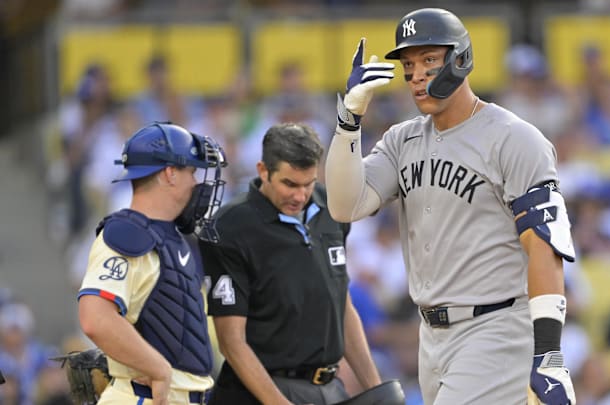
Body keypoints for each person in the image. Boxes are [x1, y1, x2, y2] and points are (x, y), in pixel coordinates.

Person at [326, 7, 577, 405]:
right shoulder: (401, 140)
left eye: (429, 60)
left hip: (495, 328)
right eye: (409, 64)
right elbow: (343, 205)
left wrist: (548, 352)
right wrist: (348, 121)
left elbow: (543, 244)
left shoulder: (514, 138)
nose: (417, 75)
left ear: (460, 59)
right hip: (431, 337)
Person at [198, 123, 399, 404]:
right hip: (261, 392)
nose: (300, 196)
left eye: (308, 183)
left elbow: (341, 306)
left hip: (329, 388)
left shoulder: (333, 208)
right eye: (289, 184)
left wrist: (375, 390)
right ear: (263, 170)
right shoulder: (229, 227)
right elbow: (232, 342)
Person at [76, 122, 227, 405]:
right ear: (170, 173)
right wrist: (156, 367)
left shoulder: (171, 236)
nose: (196, 183)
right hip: (144, 397)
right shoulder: (126, 234)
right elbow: (95, 318)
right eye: (191, 172)